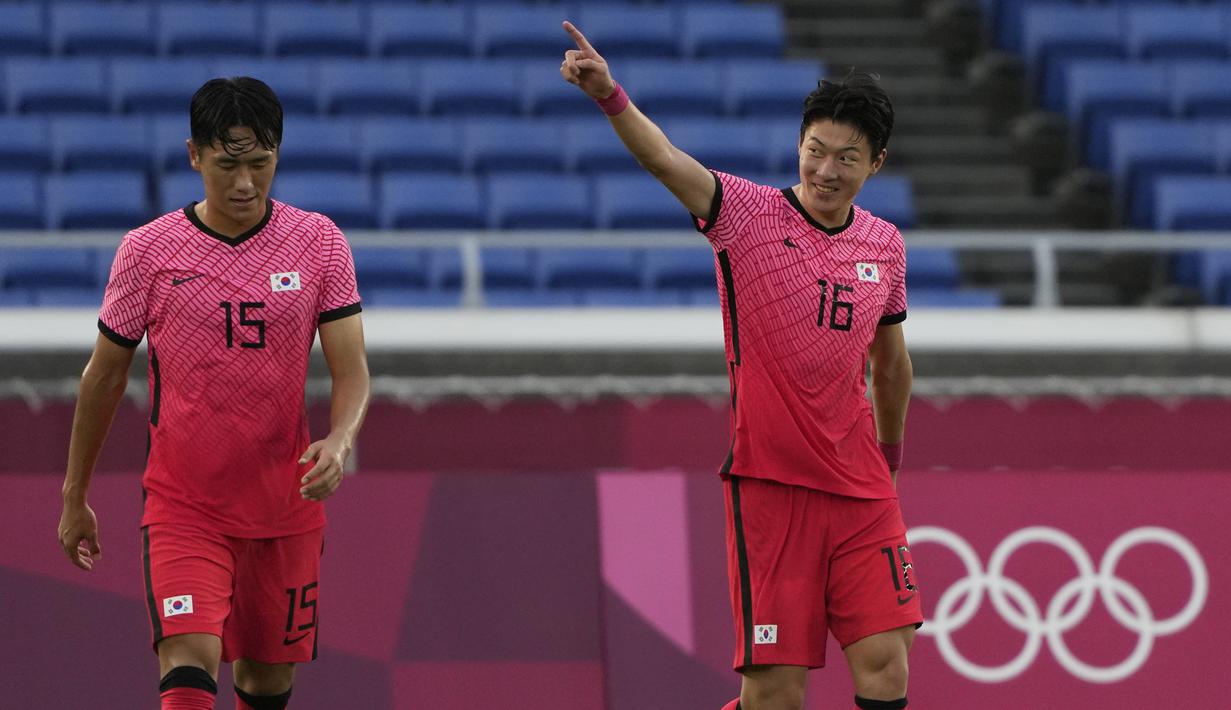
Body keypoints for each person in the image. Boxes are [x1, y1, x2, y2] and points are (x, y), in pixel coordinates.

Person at [560, 22, 919, 710]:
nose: (826, 171)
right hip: (771, 488)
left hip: (862, 489)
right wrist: (609, 94)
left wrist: (891, 458)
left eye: (847, 158)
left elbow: (893, 364)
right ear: (798, 145)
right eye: (815, 151)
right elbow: (664, 159)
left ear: (875, 164)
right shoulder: (745, 215)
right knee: (775, 694)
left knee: (886, 667)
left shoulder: (885, 244)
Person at [56, 77, 370, 710]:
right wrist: (74, 494)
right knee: (187, 661)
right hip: (185, 508)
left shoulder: (320, 242)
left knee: (265, 684)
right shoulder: (148, 251)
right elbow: (104, 377)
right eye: (228, 165)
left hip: (285, 510)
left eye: (261, 163)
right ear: (194, 155)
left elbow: (352, 372)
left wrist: (340, 439)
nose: (246, 183)